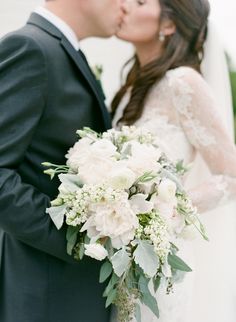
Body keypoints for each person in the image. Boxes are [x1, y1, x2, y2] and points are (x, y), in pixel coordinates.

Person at [111, 0, 236, 321]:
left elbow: (231, 177)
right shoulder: (132, 88)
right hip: (123, 260)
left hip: (162, 263)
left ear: (168, 25)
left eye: (139, 2)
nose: (124, 6)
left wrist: (162, 209)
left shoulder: (183, 83)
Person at [0, 1, 124, 322]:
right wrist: (81, 241)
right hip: (46, 291)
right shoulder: (31, 48)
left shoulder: (64, 51)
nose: (126, 5)